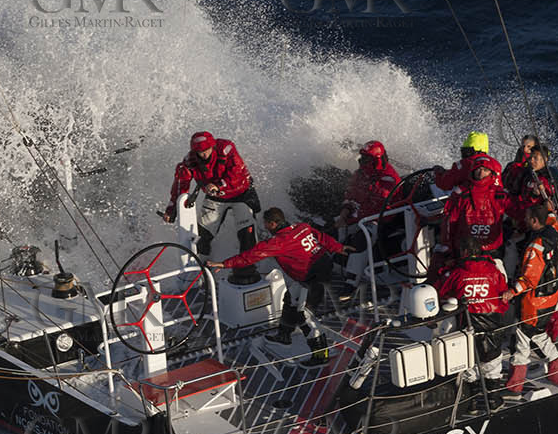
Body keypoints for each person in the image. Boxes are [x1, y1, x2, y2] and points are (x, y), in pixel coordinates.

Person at [212, 208, 343, 357]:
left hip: (313, 280)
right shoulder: (302, 227)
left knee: (304, 316)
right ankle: (283, 336)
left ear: (273, 224)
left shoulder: (279, 242)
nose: (265, 227)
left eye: (266, 224)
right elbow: (323, 238)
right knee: (290, 299)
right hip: (320, 271)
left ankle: (321, 355)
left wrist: (224, 264)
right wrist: (340, 248)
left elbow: (252, 255)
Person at [500, 200, 558, 394]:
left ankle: (515, 384)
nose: (523, 220)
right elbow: (553, 219)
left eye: (526, 218)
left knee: (522, 340)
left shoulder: (535, 246)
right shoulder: (553, 232)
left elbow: (530, 277)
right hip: (550, 297)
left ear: (533, 221)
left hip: (533, 301)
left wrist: (511, 292)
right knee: (539, 333)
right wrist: (548, 207)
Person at [163, 131, 261, 256]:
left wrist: (219, 185)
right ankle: (201, 267)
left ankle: (248, 272)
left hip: (243, 194)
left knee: (247, 235)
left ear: (213, 146)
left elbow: (238, 170)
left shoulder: (226, 148)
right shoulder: (188, 162)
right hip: (215, 198)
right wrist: (172, 209)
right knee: (200, 237)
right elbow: (180, 185)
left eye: (207, 150)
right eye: (200, 152)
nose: (204, 154)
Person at [435, 236, 510, 386]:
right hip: (493, 326)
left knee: (469, 364)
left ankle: (473, 400)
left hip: (469, 327)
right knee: (493, 366)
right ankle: (493, 398)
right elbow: (503, 296)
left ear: (464, 252)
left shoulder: (457, 272)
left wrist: (446, 268)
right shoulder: (494, 270)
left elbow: (441, 291)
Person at [442, 158, 510, 257]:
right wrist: (448, 246)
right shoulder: (460, 193)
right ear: (472, 171)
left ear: (492, 173)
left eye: (485, 170)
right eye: (478, 169)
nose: (481, 173)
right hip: (465, 249)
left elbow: (517, 212)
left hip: (492, 250)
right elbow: (450, 220)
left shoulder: (500, 194)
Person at [338, 140, 401, 227]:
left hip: (380, 223)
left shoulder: (388, 180)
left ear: (376, 161)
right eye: (362, 157)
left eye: (366, 159)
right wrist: (343, 215)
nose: (361, 161)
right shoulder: (361, 174)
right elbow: (351, 196)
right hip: (360, 218)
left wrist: (350, 221)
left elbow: (384, 213)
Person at [506, 143, 558, 223]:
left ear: (545, 159)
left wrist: (541, 194)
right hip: (527, 216)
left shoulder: (552, 175)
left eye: (535, 158)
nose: (531, 160)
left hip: (551, 218)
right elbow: (516, 193)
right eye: (530, 157)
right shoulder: (525, 173)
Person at [434, 131, 500, 191]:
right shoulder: (496, 164)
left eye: (468, 151)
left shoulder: (464, 163)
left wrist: (439, 174)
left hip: (474, 202)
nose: (465, 155)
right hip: (497, 202)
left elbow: (445, 185)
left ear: (475, 151)